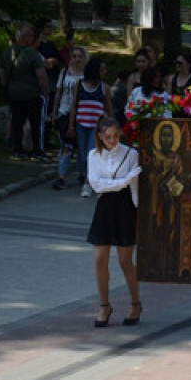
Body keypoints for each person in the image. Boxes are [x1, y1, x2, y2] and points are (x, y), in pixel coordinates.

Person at [85, 118, 142, 327]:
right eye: (107, 137)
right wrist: (123, 181)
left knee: (125, 261)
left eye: (115, 136)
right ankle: (104, 305)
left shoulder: (130, 154)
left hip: (126, 207)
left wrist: (138, 210)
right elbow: (97, 185)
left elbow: (134, 186)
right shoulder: (93, 155)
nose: (112, 140)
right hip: (104, 207)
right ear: (100, 136)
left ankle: (136, 303)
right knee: (100, 259)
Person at [0, 23, 50, 162]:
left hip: (14, 94)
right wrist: (45, 92)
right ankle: (37, 150)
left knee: (17, 121)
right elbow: (41, 76)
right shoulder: (32, 54)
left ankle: (18, 149)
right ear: (27, 38)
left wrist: (8, 88)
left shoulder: (7, 52)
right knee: (35, 123)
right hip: (32, 94)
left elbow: (2, 74)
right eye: (32, 36)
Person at [69, 58, 114, 198]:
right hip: (81, 124)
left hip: (97, 127)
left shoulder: (104, 88)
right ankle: (90, 176)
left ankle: (88, 184)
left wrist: (112, 125)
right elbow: (74, 105)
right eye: (102, 69)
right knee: (82, 154)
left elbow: (109, 107)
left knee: (91, 154)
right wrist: (71, 125)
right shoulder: (79, 85)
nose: (104, 72)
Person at [51, 46, 87, 190]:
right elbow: (59, 92)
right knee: (65, 145)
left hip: (81, 113)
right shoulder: (64, 72)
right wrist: (54, 111)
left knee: (81, 146)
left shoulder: (86, 75)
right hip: (64, 112)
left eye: (80, 56)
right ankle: (62, 176)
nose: (77, 59)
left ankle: (81, 172)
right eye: (74, 56)